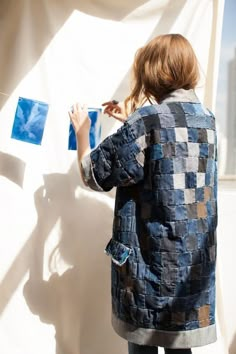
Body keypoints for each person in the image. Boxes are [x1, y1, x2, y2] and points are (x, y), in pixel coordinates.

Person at [68, 34, 218, 354]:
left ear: (152, 72)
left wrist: (83, 133)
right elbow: (170, 151)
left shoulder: (147, 121)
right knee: (181, 347)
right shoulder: (208, 121)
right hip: (191, 275)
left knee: (142, 346)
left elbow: (93, 173)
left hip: (149, 274)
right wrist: (130, 123)